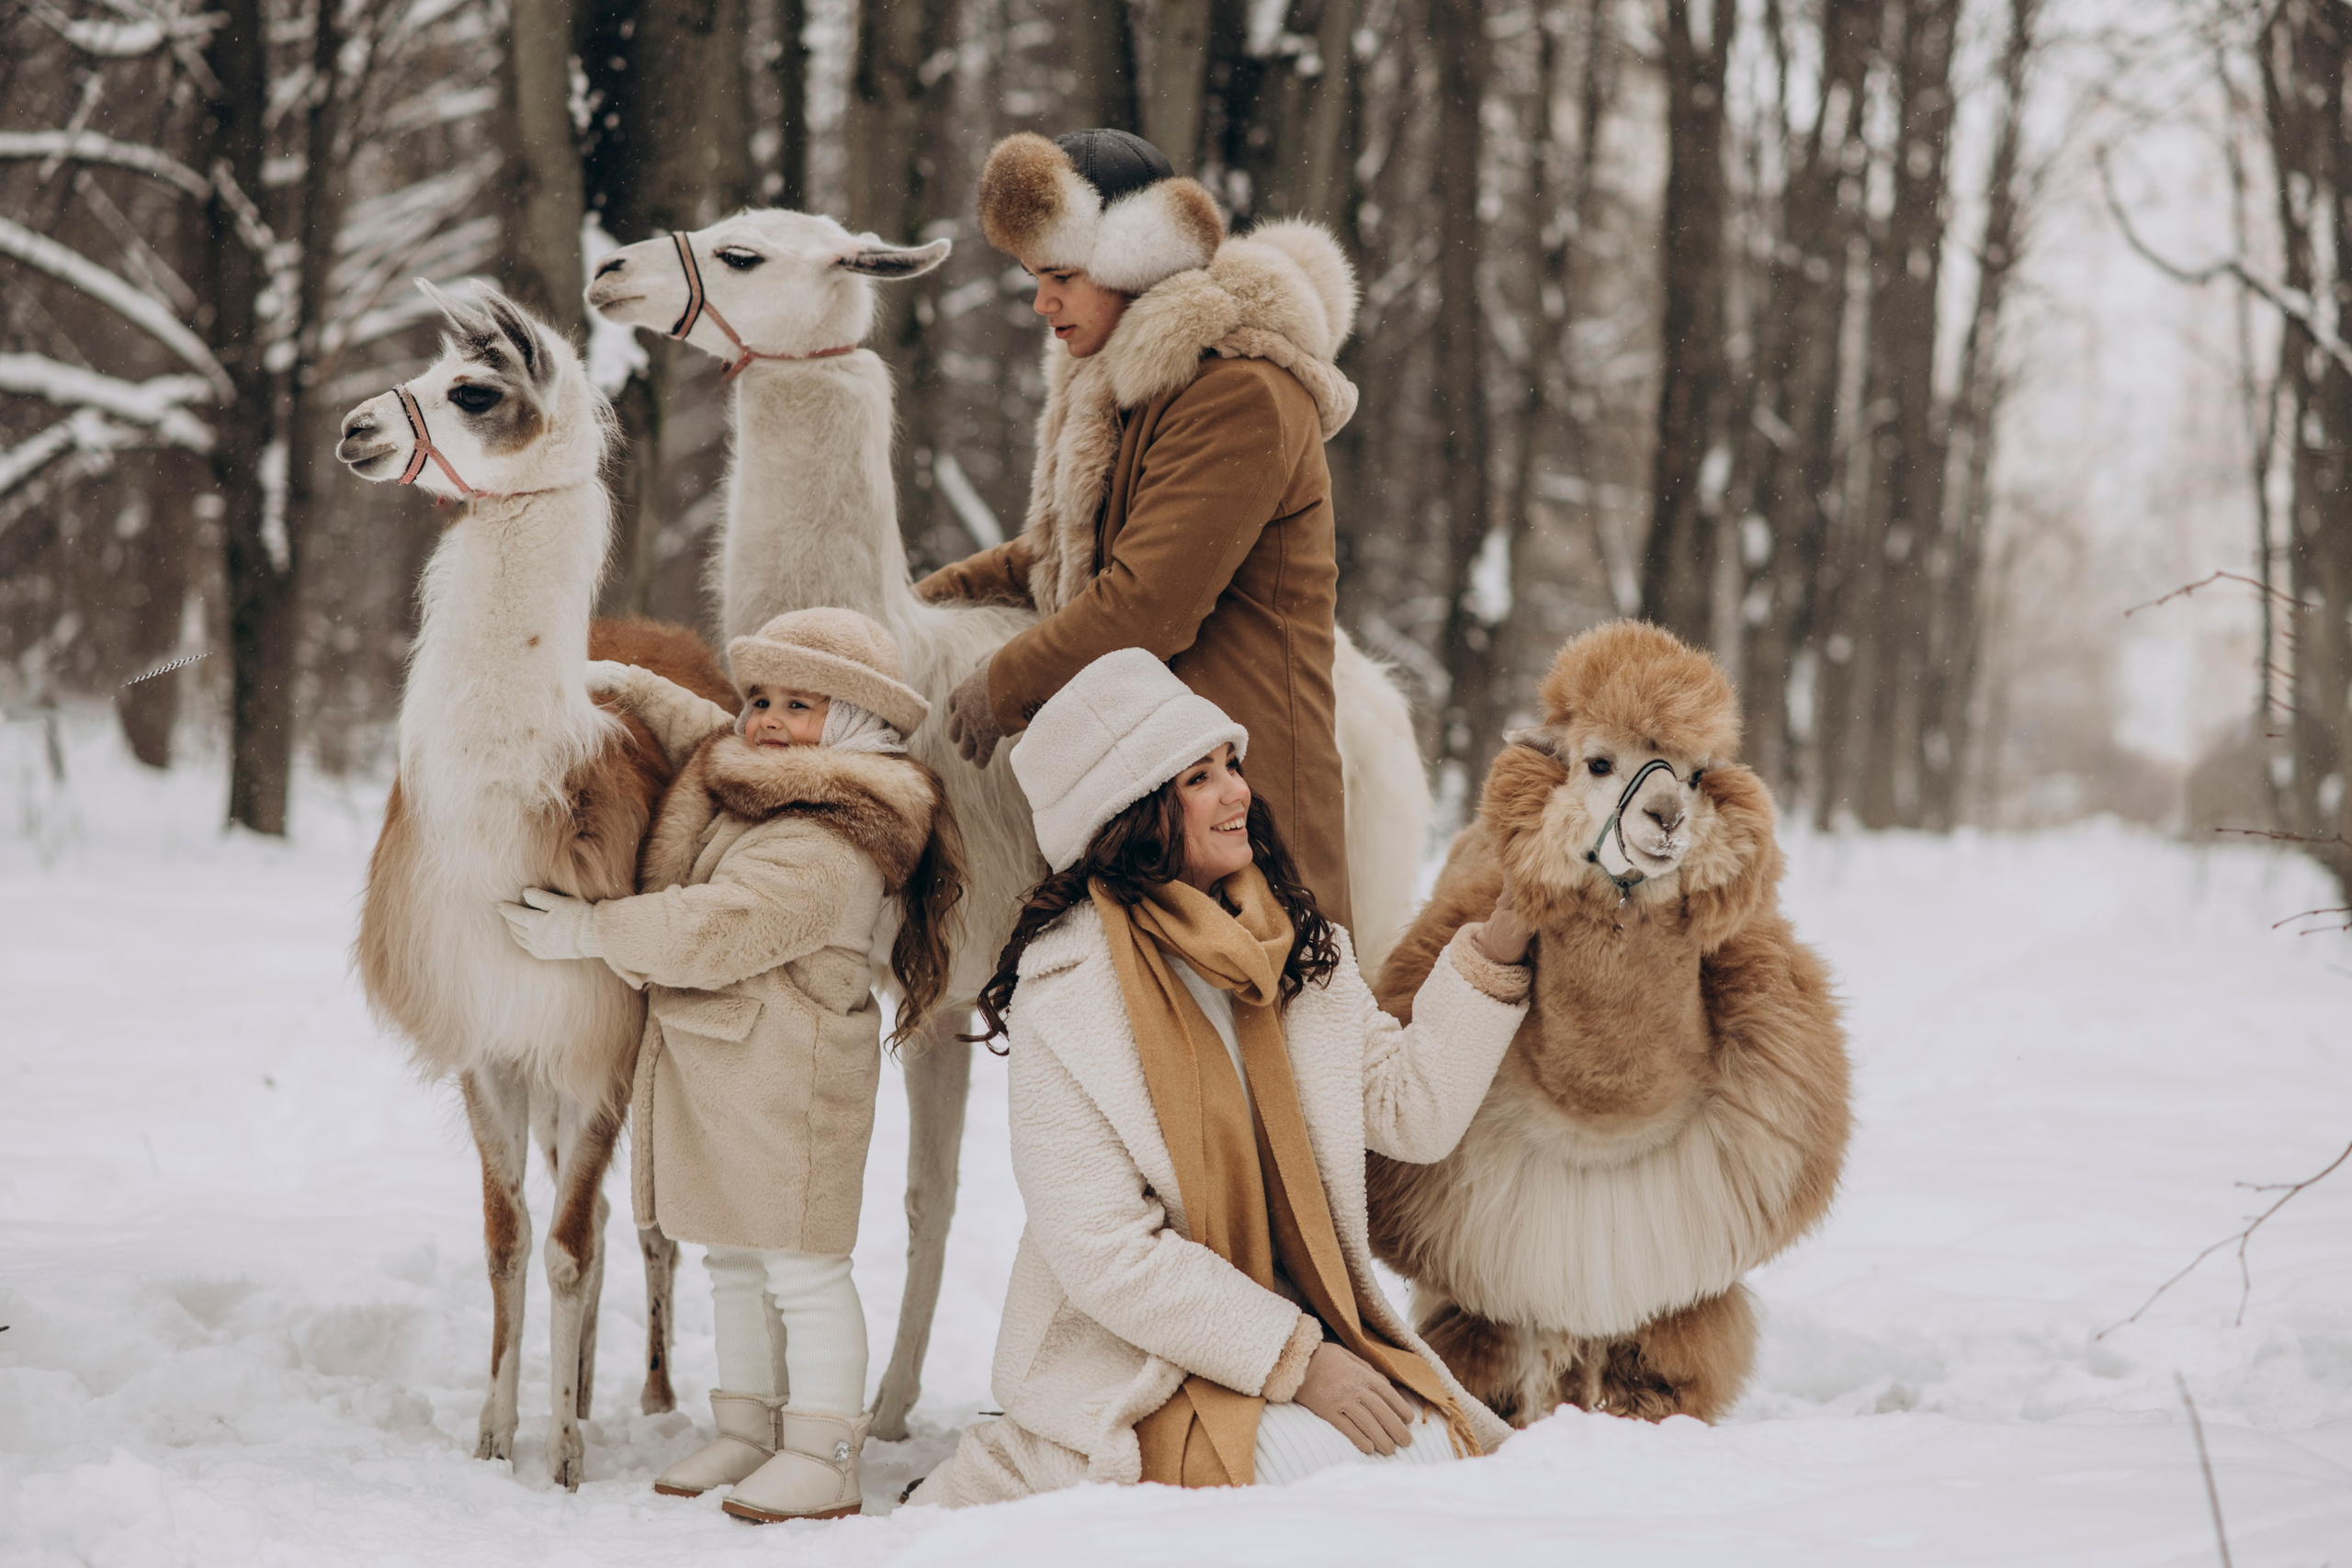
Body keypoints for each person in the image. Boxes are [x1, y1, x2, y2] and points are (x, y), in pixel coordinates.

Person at [907, 649, 1532, 1507]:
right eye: (1198, 777)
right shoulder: (1068, 991)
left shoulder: (1297, 952)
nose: (1237, 790)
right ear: (1131, 813)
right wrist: (1300, 1363)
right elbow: (1108, 1253)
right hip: (1144, 1358)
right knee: (1324, 1486)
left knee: (1436, 1459)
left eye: (1230, 764)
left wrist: (1499, 947)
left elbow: (1409, 1111)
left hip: (1312, 1330)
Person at [499, 608, 964, 1523]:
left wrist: (592, 931)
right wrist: (628, 685)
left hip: (791, 1084)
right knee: (735, 1262)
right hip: (729, 1071)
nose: (764, 719)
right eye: (758, 698)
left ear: (860, 722)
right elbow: (701, 729)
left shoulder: (835, 834)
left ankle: (825, 1450)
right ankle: (749, 1427)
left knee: (802, 1268)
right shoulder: (765, 774)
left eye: (799, 703)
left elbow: (719, 927)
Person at [918, 128, 1363, 929]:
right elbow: (1074, 555)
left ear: (1136, 259)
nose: (1040, 302)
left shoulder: (1237, 393)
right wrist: (929, 600)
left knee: (1263, 1045)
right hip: (1160, 788)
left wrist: (999, 683)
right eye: (1033, 278)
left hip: (1246, 806)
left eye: (1060, 276)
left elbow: (1147, 603)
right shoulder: (1145, 390)